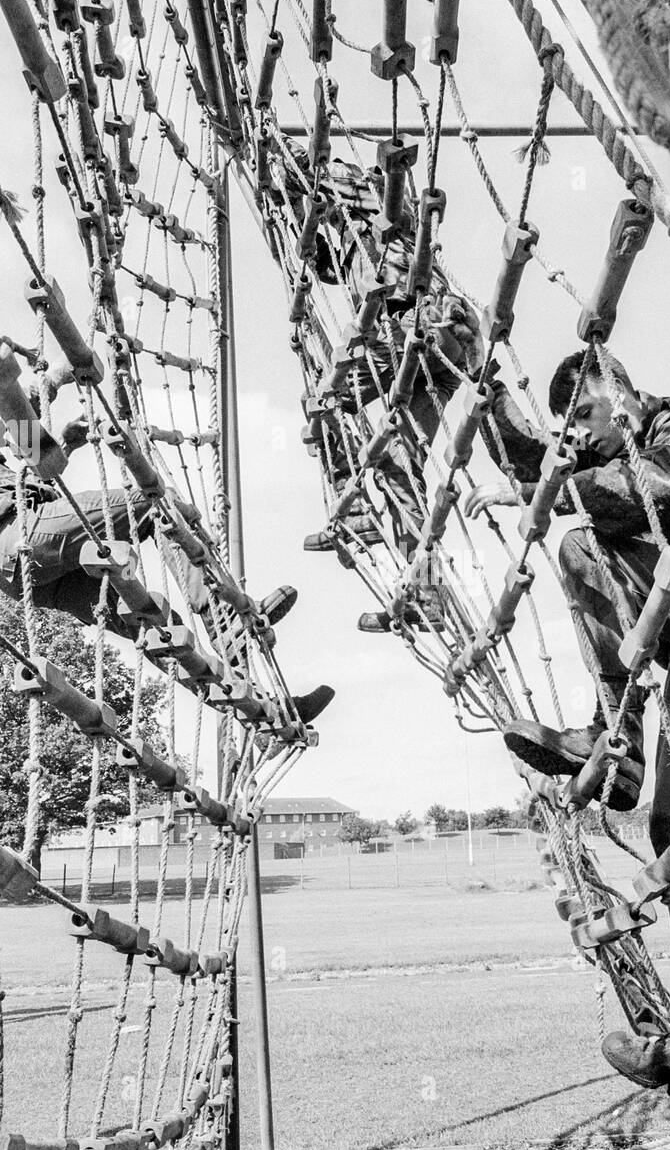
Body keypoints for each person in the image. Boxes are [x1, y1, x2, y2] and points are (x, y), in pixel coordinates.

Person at [464, 349, 670, 1091]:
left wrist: (554, 489)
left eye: (583, 413)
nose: (575, 432)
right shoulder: (593, 459)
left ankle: (616, 742)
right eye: (566, 424)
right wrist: (476, 381)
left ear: (623, 395)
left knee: (581, 545)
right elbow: (533, 458)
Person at [281, 139, 485, 632]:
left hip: (409, 327)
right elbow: (330, 265)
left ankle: (353, 513)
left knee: (322, 400)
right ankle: (427, 593)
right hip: (451, 339)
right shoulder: (382, 220)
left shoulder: (348, 190)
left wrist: (283, 173)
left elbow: (296, 180)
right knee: (398, 468)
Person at [0, 427, 334, 726]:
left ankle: (258, 712)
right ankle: (225, 620)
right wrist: (44, 398)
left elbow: (39, 459)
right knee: (155, 502)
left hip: (22, 569)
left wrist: (64, 445)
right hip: (22, 532)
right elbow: (17, 409)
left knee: (153, 627)